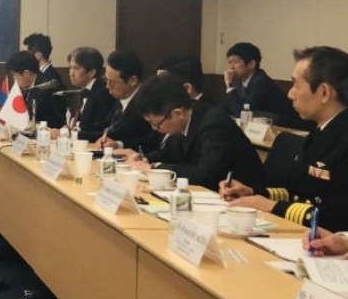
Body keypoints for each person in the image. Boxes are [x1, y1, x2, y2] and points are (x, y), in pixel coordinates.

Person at [222, 47, 348, 231]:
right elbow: (296, 194)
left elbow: (335, 217)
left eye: (296, 85)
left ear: (324, 93)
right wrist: (253, 193)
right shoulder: (321, 131)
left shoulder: (342, 139)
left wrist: (270, 206)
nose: (290, 94)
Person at [122, 75, 265, 190]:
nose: (155, 129)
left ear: (177, 113)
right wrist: (145, 159)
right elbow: (168, 154)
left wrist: (154, 168)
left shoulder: (214, 124)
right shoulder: (185, 118)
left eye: (156, 124)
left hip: (241, 196)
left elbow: (206, 174)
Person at [224, 42, 297, 126]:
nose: (231, 67)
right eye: (230, 62)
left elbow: (243, 114)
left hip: (285, 128)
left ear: (251, 64)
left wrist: (229, 86)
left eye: (235, 62)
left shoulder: (261, 82)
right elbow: (227, 107)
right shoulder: (237, 82)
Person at [99, 51, 159, 152]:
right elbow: (106, 126)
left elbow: (151, 142)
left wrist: (118, 144)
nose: (107, 86)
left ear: (132, 81)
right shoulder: (120, 98)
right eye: (106, 80)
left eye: (112, 82)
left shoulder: (146, 103)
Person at [65, 46, 115, 141]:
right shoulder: (81, 92)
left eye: (76, 68)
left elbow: (99, 130)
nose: (71, 73)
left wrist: (69, 134)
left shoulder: (104, 93)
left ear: (91, 72)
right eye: (70, 67)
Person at [5, 51, 65, 128]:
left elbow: (30, 115)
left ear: (26, 73)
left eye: (15, 76)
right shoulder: (32, 84)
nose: (15, 80)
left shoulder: (45, 87)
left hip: (48, 131)